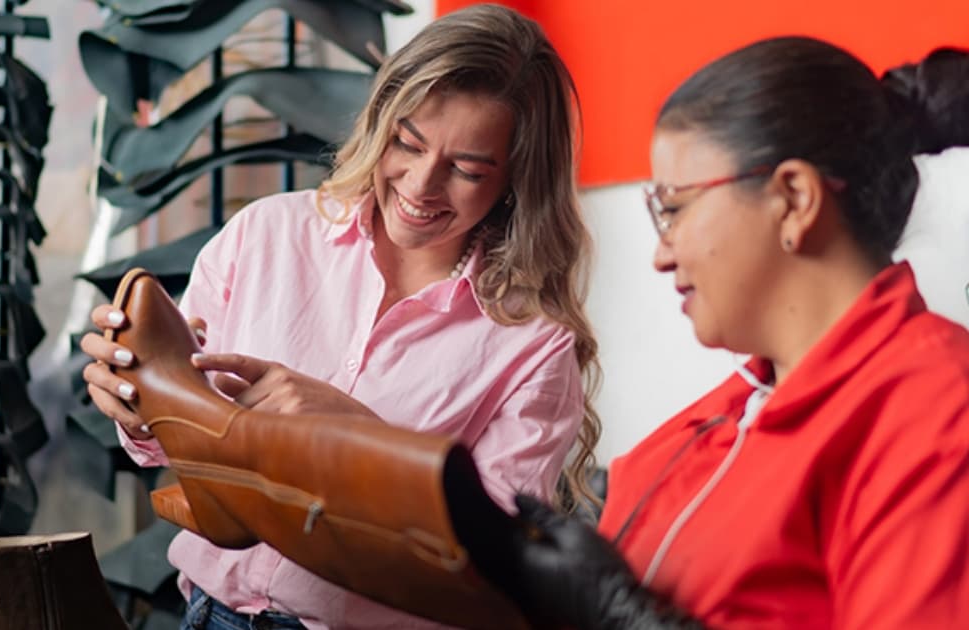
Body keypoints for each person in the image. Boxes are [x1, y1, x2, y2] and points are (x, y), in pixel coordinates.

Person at [80, 4, 602, 629]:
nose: (420, 184)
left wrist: (361, 437)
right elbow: (164, 445)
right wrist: (135, 402)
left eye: (466, 170)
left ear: (516, 179)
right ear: (381, 120)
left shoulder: (533, 345)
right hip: (209, 614)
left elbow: (493, 567)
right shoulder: (264, 235)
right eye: (407, 142)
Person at [491, 37, 969, 629]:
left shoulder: (943, 416)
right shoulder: (716, 421)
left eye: (673, 208)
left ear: (793, 199)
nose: (662, 255)